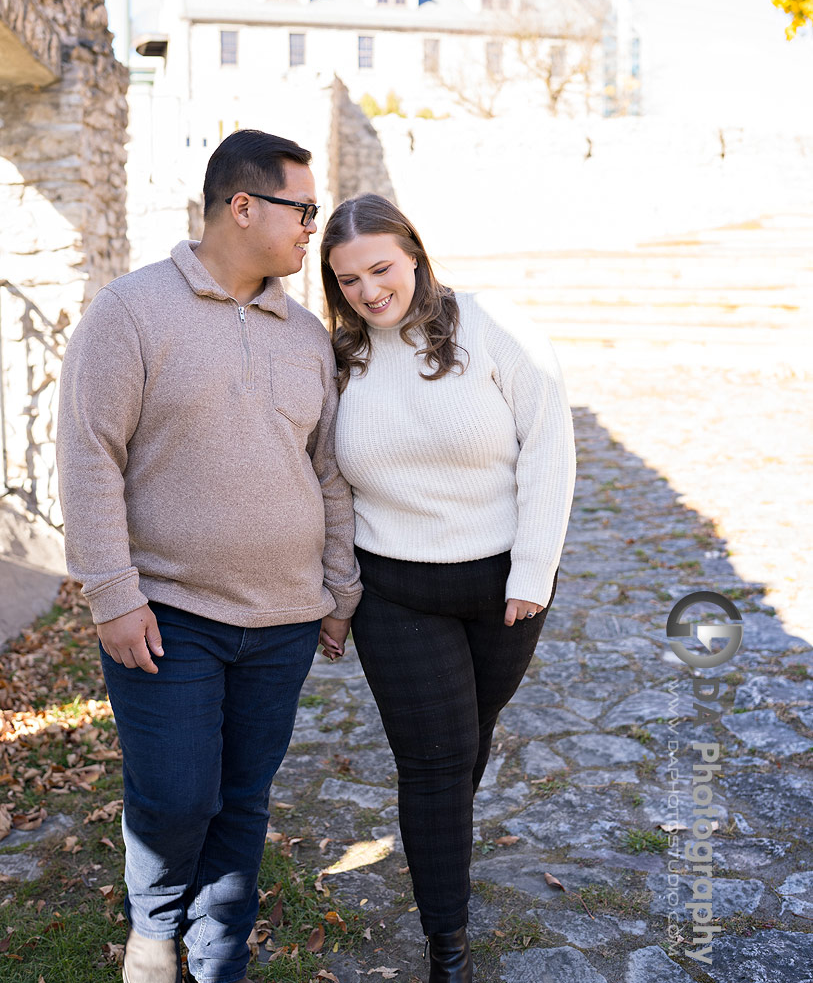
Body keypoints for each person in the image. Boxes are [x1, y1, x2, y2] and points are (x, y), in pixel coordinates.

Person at [56, 130, 361, 983]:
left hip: (285, 618)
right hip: (168, 614)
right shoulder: (131, 310)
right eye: (303, 208)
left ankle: (219, 955)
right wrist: (113, 594)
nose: (313, 227)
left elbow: (329, 471)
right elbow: (88, 454)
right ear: (243, 206)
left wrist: (338, 589)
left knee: (241, 798)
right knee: (177, 795)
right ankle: (154, 931)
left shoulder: (306, 335)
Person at [318, 194, 576, 983]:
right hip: (394, 592)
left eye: (380, 268)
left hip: (503, 589)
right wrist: (336, 590)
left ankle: (441, 865)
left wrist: (532, 571)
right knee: (434, 762)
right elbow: (325, 480)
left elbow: (549, 444)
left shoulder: (490, 325)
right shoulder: (339, 359)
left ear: (415, 255)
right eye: (348, 280)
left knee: (466, 744)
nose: (368, 291)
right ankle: (448, 949)